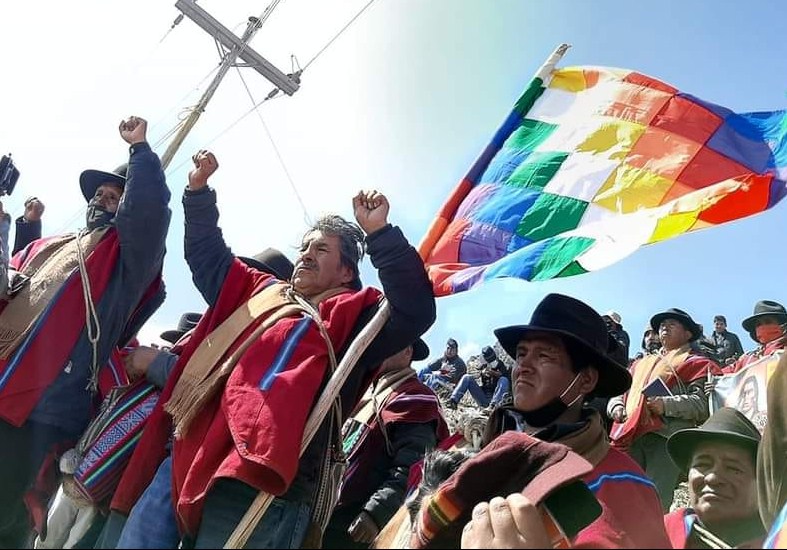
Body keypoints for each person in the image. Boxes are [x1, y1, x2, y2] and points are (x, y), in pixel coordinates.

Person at [110, 149, 436, 549]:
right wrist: (198, 193)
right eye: (305, 248)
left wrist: (380, 233)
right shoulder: (262, 292)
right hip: (193, 455)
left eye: (321, 250)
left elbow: (416, 310)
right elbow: (208, 258)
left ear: (346, 272)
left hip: (265, 488)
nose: (306, 255)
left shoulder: (356, 314)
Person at [0, 116, 170, 547]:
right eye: (99, 194)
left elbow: (148, 218)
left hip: (43, 407)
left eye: (116, 197)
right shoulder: (54, 245)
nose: (102, 200)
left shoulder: (127, 259)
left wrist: (140, 151)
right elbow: (14, 285)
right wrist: (25, 227)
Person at [409, 293, 670, 548]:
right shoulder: (477, 453)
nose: (523, 366)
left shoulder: (622, 481)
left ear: (586, 380)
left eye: (544, 356)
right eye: (521, 354)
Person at [323, 338, 448, 549]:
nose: (381, 350)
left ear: (408, 352)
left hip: (356, 522)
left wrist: (375, 512)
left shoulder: (415, 397)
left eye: (391, 343)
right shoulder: (372, 395)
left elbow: (415, 466)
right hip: (332, 511)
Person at [608, 307, 722, 511]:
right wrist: (616, 406)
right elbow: (621, 392)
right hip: (630, 437)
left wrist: (665, 405)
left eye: (671, 324)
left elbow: (701, 404)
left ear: (688, 334)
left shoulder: (698, 363)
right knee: (621, 496)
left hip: (666, 440)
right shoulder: (639, 364)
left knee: (655, 500)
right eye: (661, 325)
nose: (664, 328)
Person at [664, 407, 765, 548]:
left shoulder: (778, 542)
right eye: (703, 464)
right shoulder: (660, 535)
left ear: (763, 484)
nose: (712, 478)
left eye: (732, 468)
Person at [724, 300, 787, 375]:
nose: (763, 327)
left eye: (768, 322)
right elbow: (722, 375)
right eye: (758, 324)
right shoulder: (747, 359)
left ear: (783, 326)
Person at [448, 345, 511, 410]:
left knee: (504, 379)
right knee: (467, 377)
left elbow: (505, 377)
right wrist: (481, 373)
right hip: (483, 397)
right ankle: (453, 400)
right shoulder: (482, 365)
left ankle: (493, 406)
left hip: (496, 398)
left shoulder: (500, 364)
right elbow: (471, 374)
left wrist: (493, 373)